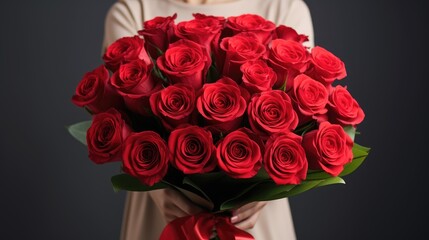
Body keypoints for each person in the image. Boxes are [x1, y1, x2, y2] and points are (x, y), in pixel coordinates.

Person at [102, 0, 314, 239]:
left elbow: (300, 122)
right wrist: (159, 191)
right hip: (164, 214)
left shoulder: (284, 8)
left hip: (253, 220)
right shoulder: (134, 9)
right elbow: (125, 121)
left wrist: (264, 191)